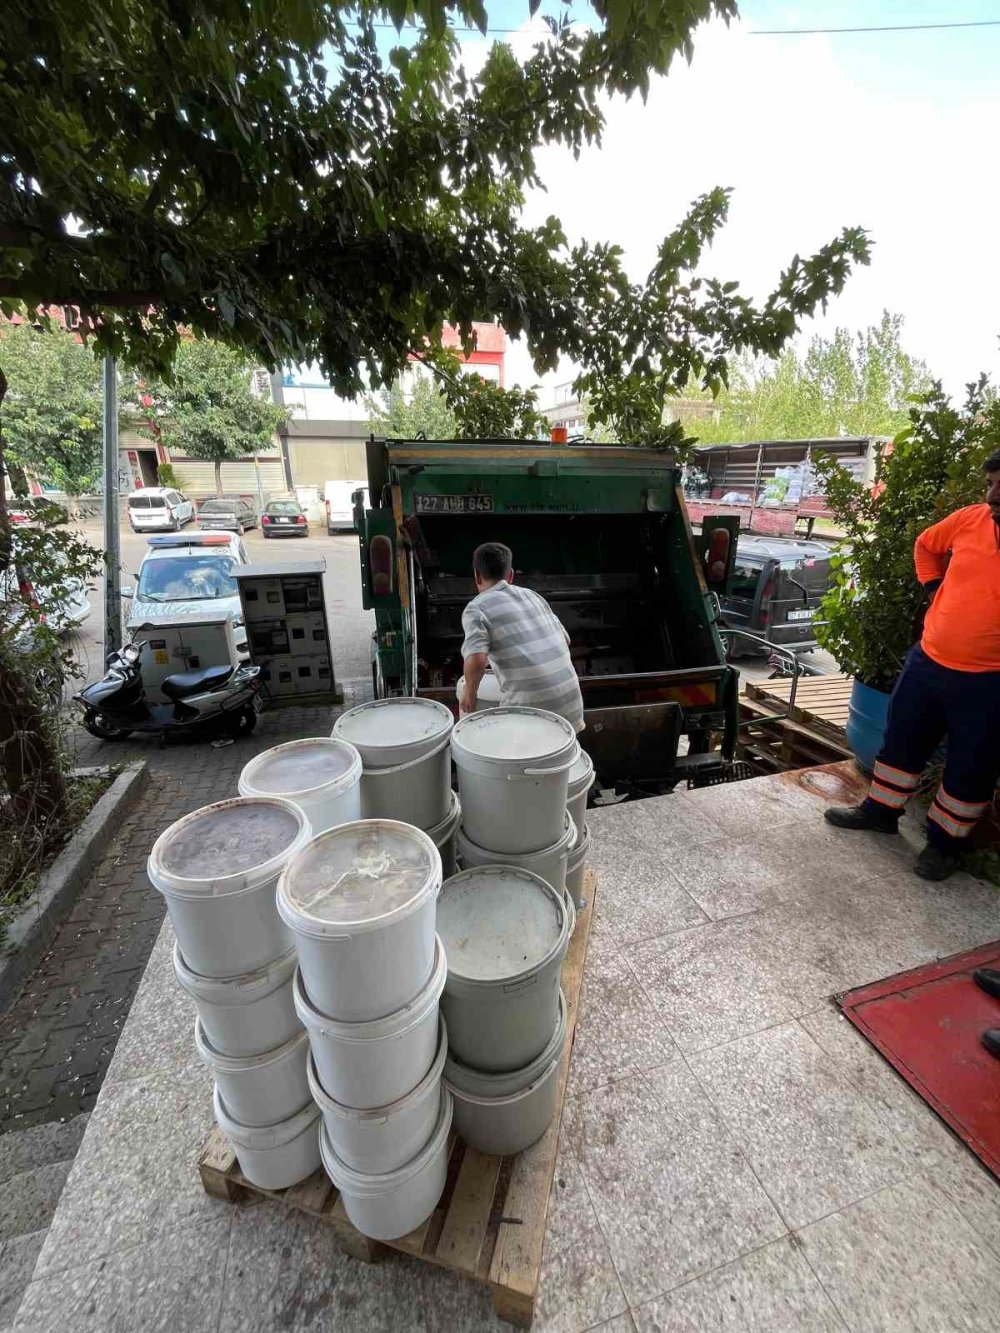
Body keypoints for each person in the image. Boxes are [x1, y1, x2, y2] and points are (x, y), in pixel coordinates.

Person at [824, 450, 1000, 881]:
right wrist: (935, 588)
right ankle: (880, 812)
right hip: (929, 661)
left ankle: (945, 846)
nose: (993, 495)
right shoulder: (969, 519)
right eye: (991, 484)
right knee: (901, 742)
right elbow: (925, 545)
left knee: (971, 766)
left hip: (988, 682)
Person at [460, 541, 584, 731]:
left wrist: (469, 694)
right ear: (510, 575)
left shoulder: (477, 608)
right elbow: (565, 640)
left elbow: (476, 660)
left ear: (477, 576)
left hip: (533, 720)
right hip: (571, 712)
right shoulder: (533, 596)